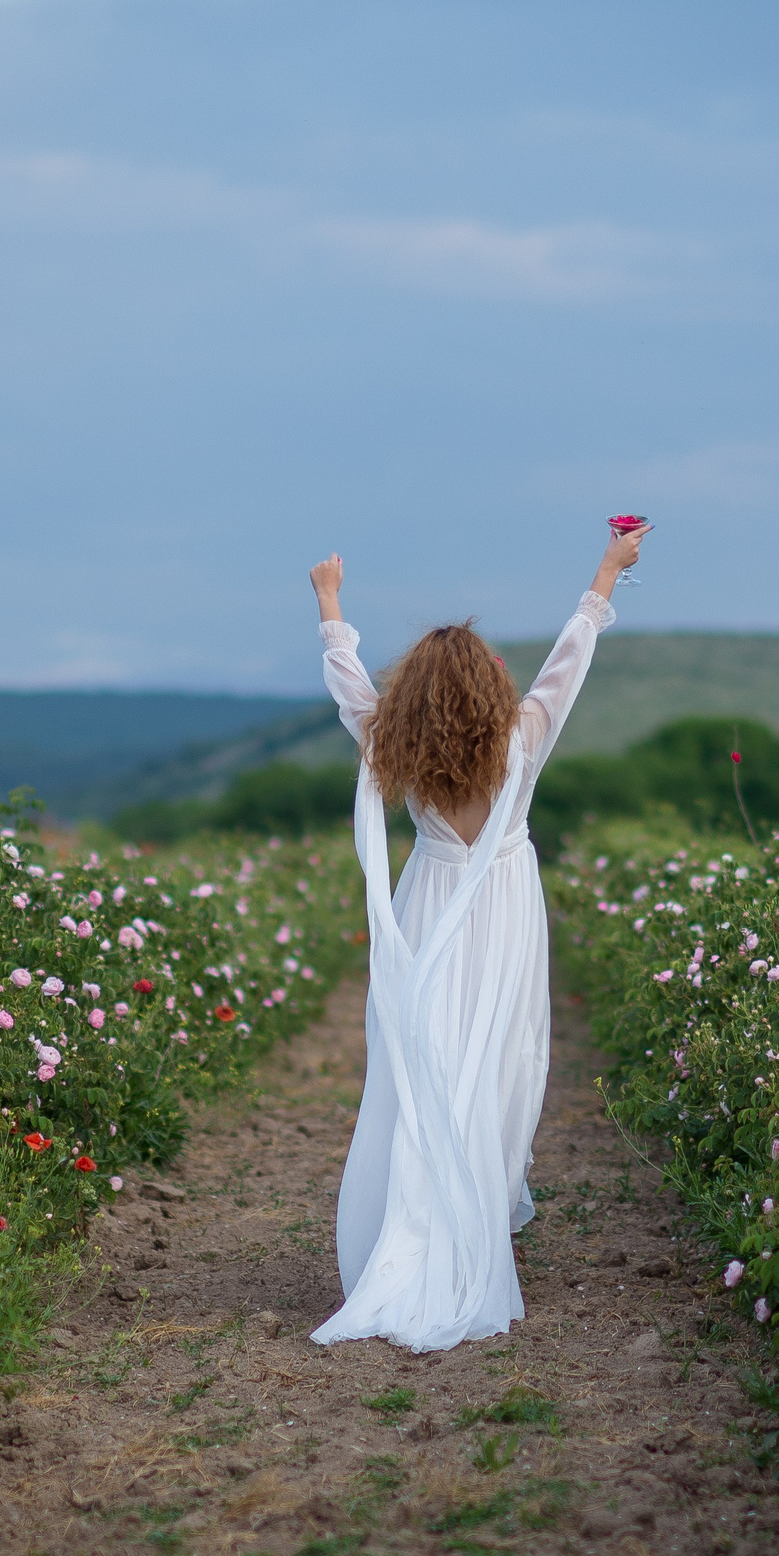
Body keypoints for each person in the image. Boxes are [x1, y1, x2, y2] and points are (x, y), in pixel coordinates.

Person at [304, 523, 647, 1351]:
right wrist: (607, 570)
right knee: (498, 1062)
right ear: (490, 687)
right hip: (503, 909)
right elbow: (570, 658)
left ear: (415, 694)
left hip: (429, 902)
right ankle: (474, 1220)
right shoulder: (523, 737)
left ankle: (419, 1222)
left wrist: (329, 602)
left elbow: (350, 688)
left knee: (424, 1061)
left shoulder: (391, 741)